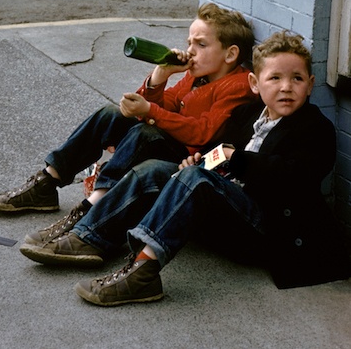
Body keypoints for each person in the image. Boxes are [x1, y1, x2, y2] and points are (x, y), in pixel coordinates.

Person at [21, 31, 350, 304]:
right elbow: (216, 152)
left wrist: (233, 160)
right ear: (255, 83)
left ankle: (142, 273)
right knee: (153, 169)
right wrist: (199, 161)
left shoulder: (315, 128)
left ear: (310, 83)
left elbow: (295, 178)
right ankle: (90, 237)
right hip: (227, 209)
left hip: (268, 228)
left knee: (197, 179)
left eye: (296, 79)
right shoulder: (247, 116)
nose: (285, 86)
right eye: (274, 78)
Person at [0, 3, 255, 243]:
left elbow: (204, 132)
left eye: (201, 45)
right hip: (170, 141)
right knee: (110, 114)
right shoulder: (198, 75)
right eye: (189, 42)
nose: (189, 51)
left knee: (145, 132)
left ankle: (94, 204)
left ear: (230, 55)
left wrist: (150, 110)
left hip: (188, 161)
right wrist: (159, 77)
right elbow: (164, 105)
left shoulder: (239, 85)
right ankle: (47, 182)